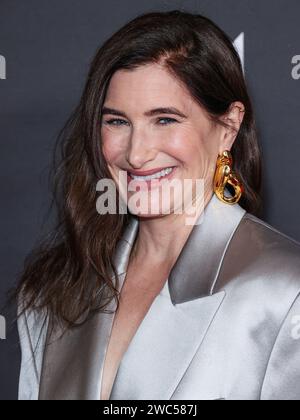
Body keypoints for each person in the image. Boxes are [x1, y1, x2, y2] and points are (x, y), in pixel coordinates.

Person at [16, 10, 300, 400]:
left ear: (228, 128)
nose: (136, 154)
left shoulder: (286, 291)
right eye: (117, 121)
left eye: (164, 120)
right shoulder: (54, 290)